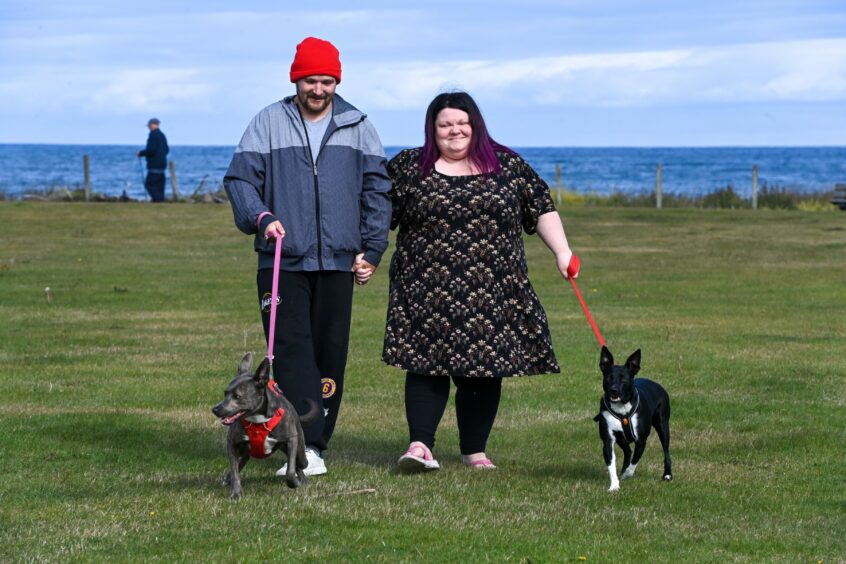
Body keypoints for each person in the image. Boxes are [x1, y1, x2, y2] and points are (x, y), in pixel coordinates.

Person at [383, 91, 580, 472]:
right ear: (433, 129)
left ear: (475, 125)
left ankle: (475, 451)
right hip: (426, 287)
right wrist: (364, 253)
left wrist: (562, 252)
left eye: (462, 122)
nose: (454, 130)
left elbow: (540, 207)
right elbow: (376, 214)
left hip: (494, 286)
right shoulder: (409, 166)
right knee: (426, 364)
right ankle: (420, 447)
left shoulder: (507, 164)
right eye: (445, 124)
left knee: (484, 367)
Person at [223, 37, 392, 477]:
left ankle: (312, 447)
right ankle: (294, 445)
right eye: (310, 81)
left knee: (329, 354)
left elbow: (377, 190)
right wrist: (260, 218)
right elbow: (240, 180)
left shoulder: (358, 125)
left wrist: (372, 249)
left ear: (337, 81)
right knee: (291, 353)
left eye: (327, 81)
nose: (318, 90)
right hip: (282, 260)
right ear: (295, 79)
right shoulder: (268, 122)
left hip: (339, 261)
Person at [136, 118, 169, 202]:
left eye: (149, 126)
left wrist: (141, 153)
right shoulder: (162, 135)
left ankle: (158, 199)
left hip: (154, 164)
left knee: (149, 184)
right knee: (159, 185)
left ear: (152, 125)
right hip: (162, 164)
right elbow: (166, 150)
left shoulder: (153, 135)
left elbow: (151, 150)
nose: (148, 128)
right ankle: (159, 200)